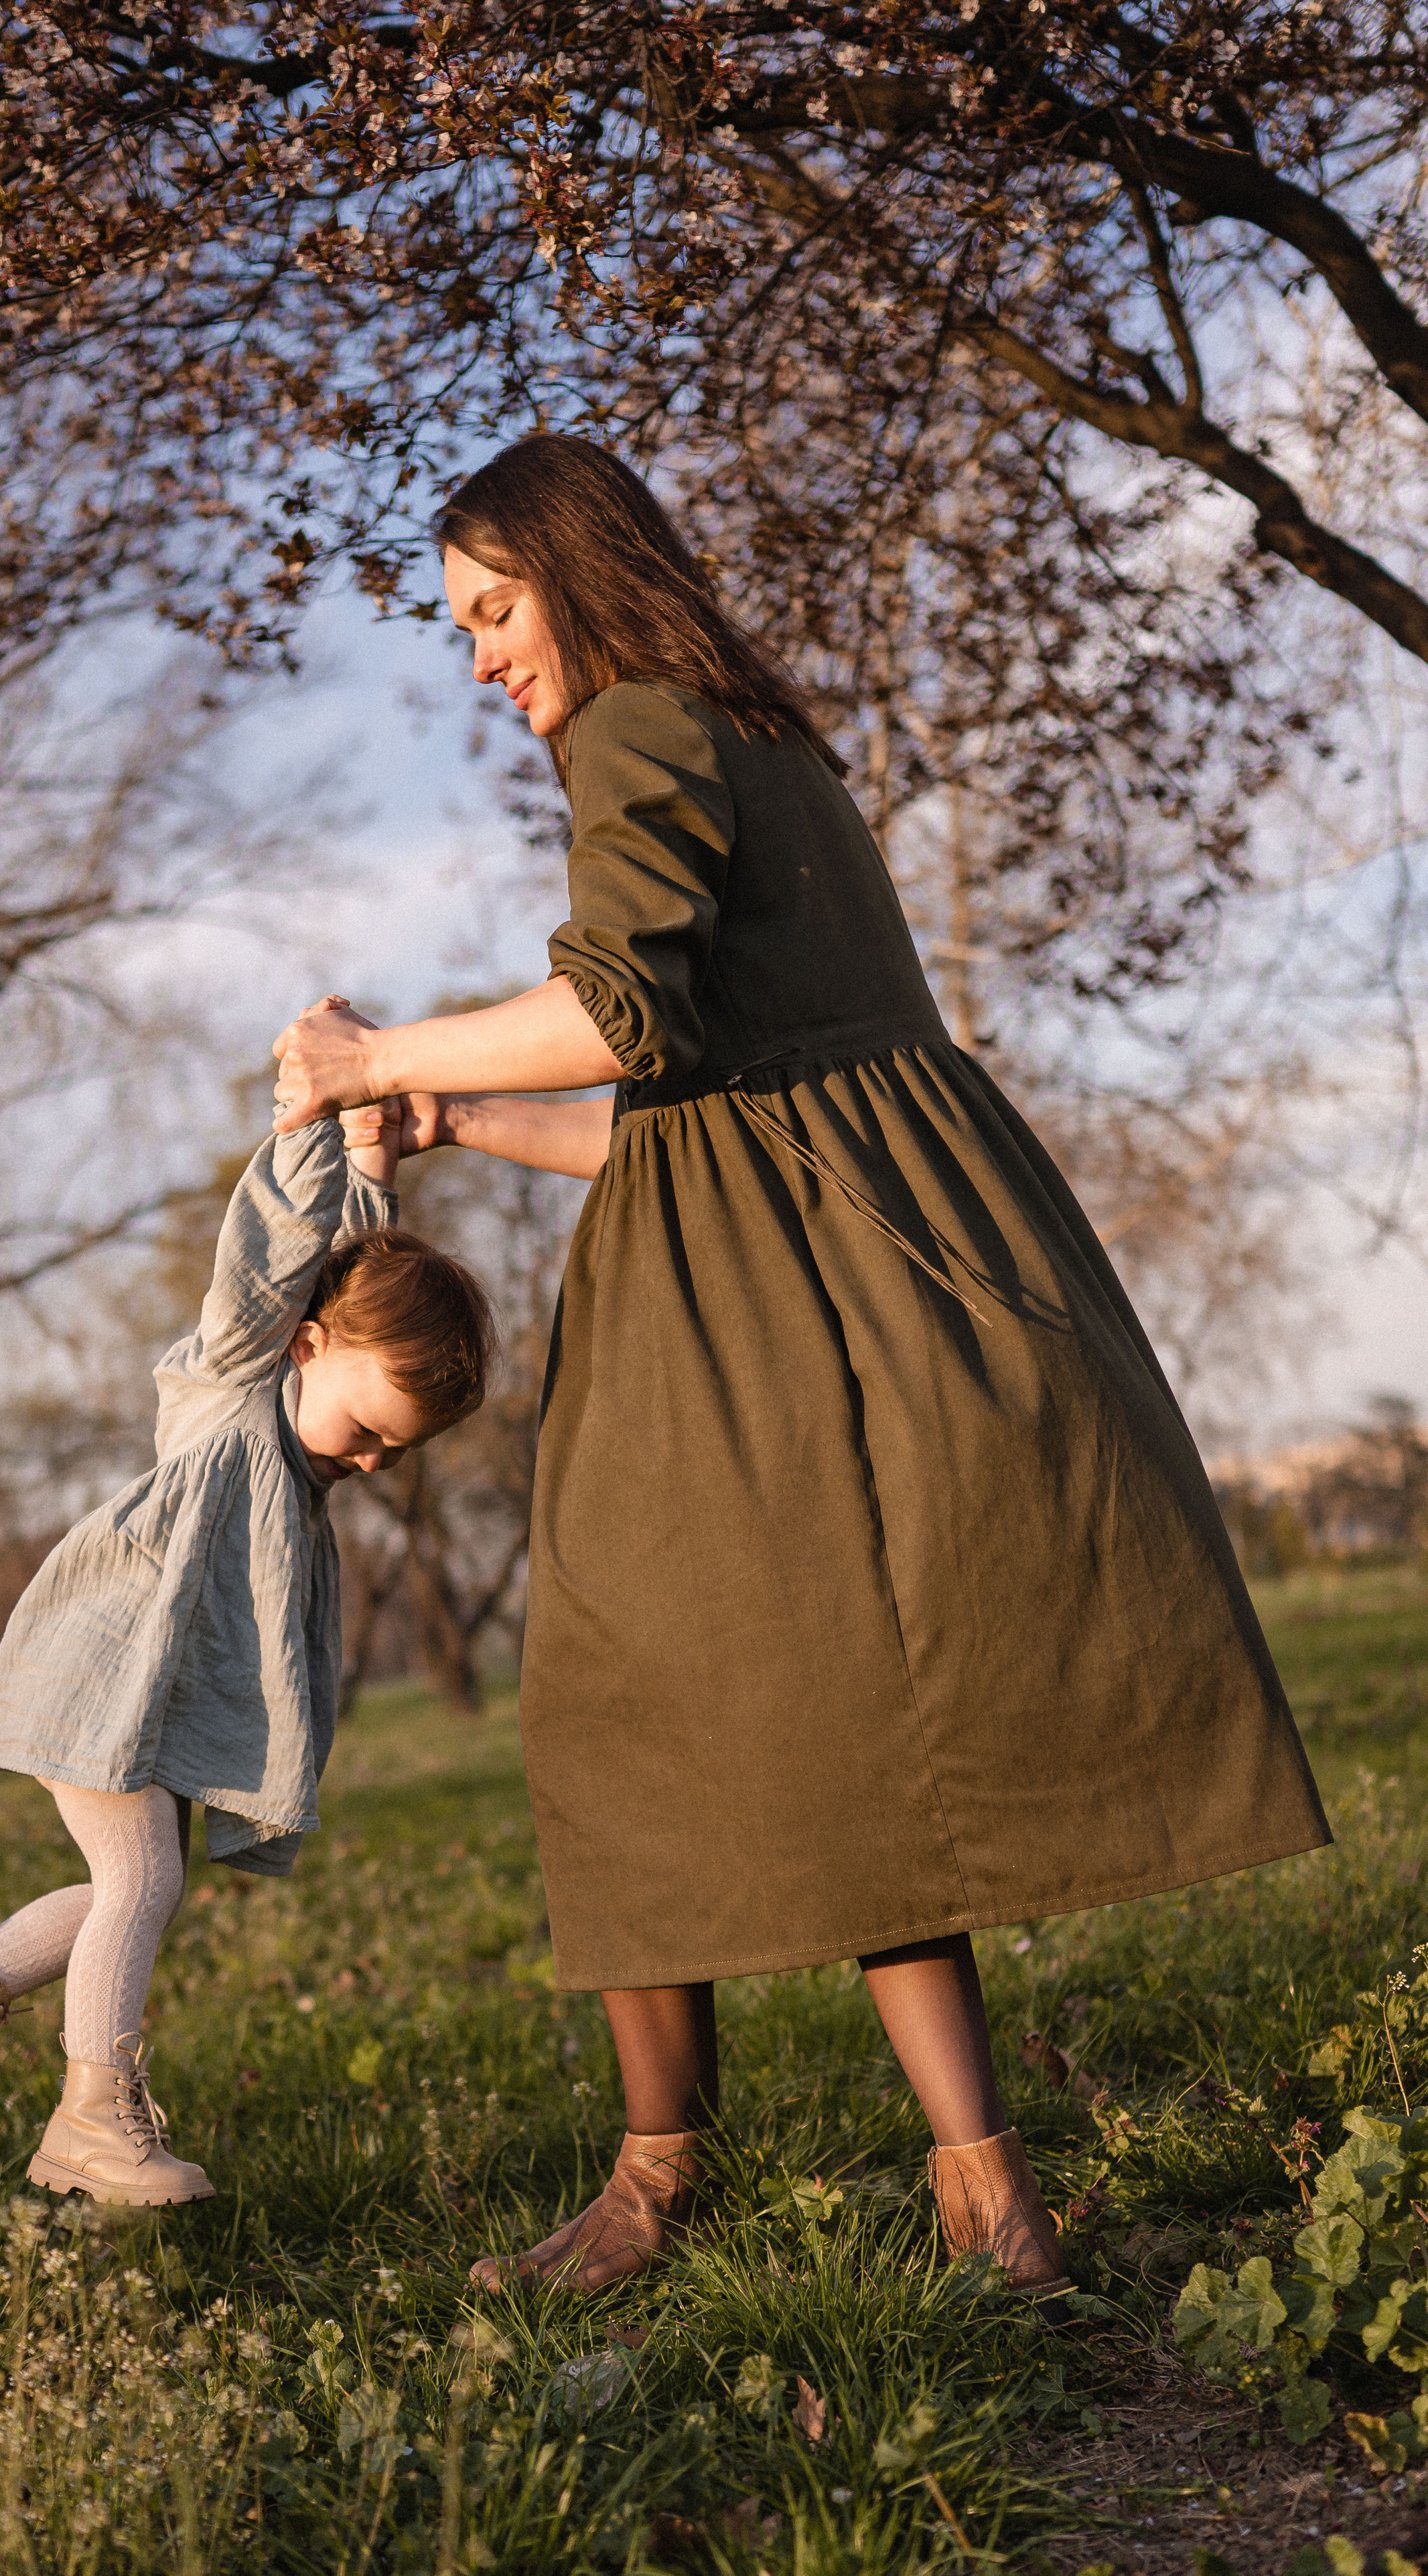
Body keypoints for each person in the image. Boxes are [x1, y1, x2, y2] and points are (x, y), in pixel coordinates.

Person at [278, 434, 1331, 2297]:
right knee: (859, 1712)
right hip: (842, 1253)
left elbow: (610, 1010)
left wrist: (371, 1061)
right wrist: (456, 1111)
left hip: (776, 1316)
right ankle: (988, 2198)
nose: (483, 662)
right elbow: (678, 1115)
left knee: (604, 1700)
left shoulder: (639, 726)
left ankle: (660, 2182)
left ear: (581, 577)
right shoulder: (745, 730)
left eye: (495, 614)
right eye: (461, 631)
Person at [0, 1060, 496, 2207]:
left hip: (144, 1699)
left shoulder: (311, 1442)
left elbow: (361, 1267)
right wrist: (316, 1111)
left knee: (129, 1885)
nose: (368, 1463)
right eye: (366, 1431)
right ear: (304, 1345)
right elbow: (279, 1246)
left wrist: (374, 1161)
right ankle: (92, 2123)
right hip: (96, 1665)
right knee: (142, 1878)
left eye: (391, 1454)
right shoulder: (235, 1381)